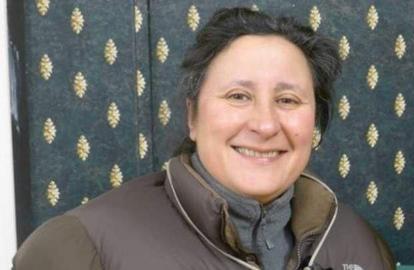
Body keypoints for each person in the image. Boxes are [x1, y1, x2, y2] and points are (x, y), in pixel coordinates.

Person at [13, 7, 394, 270]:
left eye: (288, 100)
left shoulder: (357, 243)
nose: (264, 125)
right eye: (238, 96)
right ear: (192, 116)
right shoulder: (81, 246)